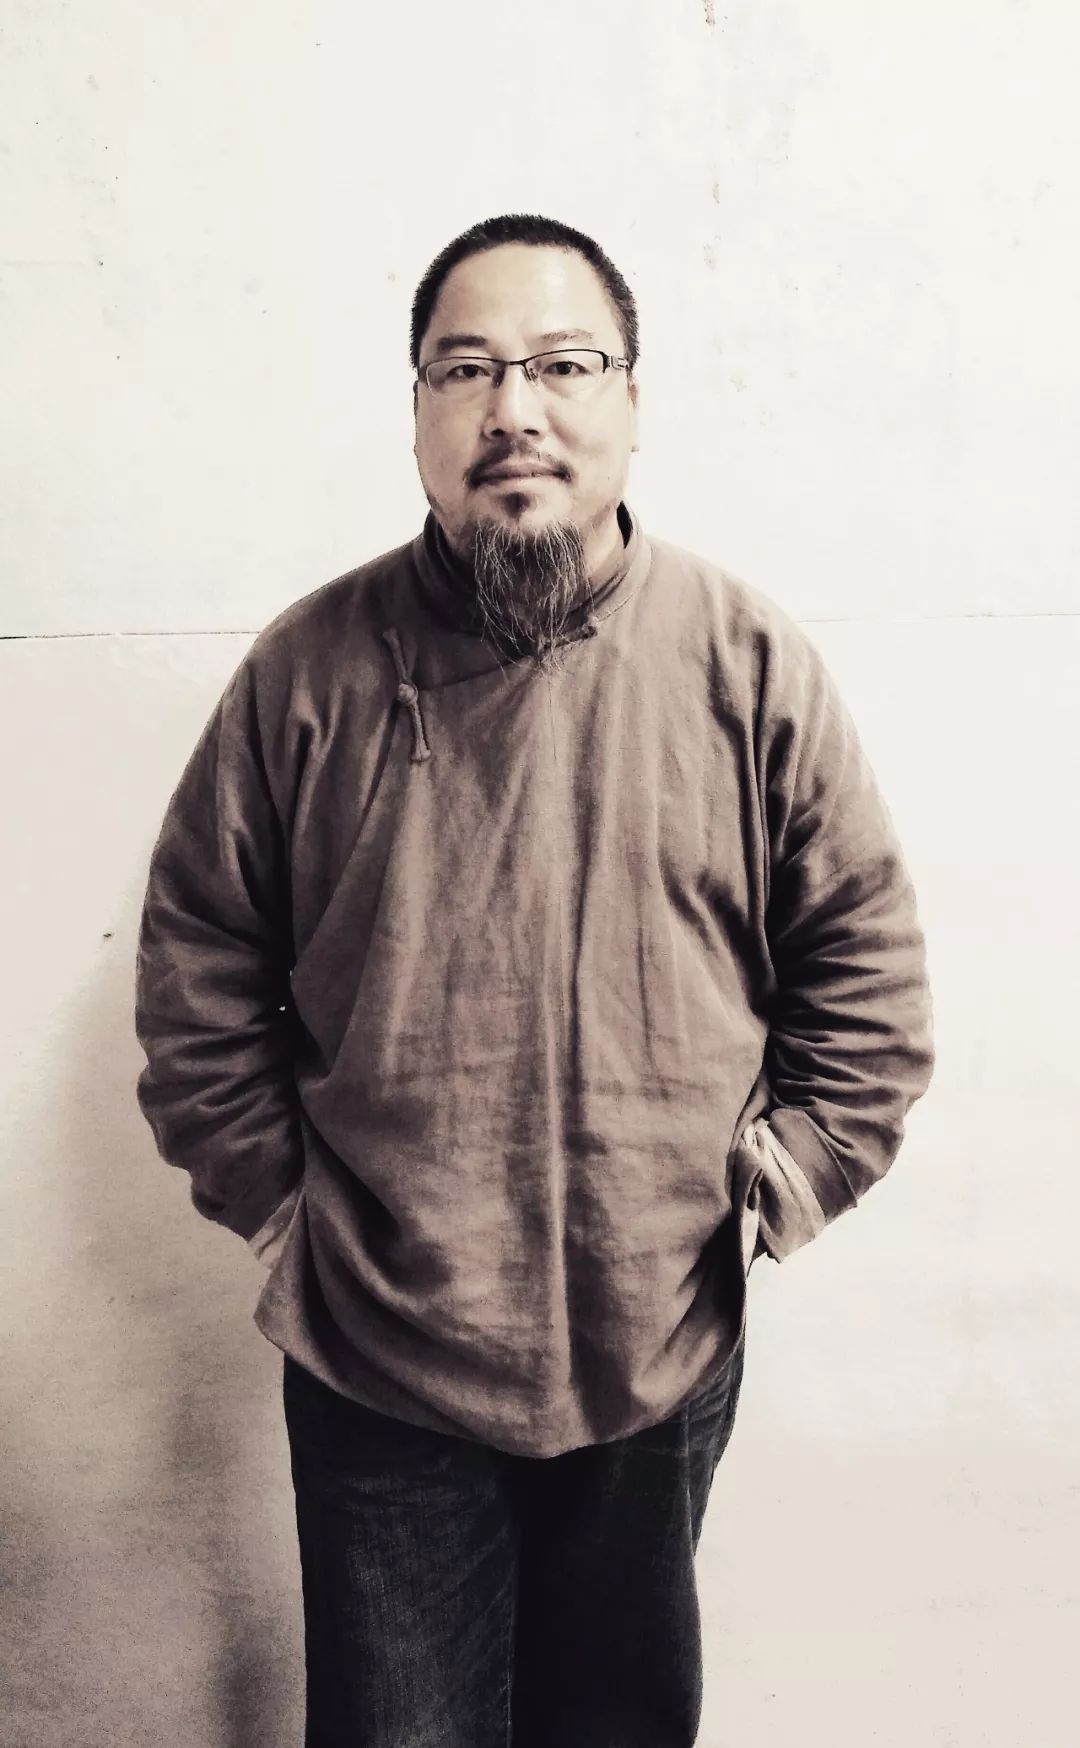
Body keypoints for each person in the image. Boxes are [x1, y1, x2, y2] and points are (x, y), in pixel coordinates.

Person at [134, 212, 934, 1747]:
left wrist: (780, 1182)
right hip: (377, 1352)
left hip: (659, 1336)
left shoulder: (745, 662)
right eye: (468, 369)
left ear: (630, 399)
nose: (515, 408)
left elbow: (866, 967)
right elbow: (197, 969)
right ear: (420, 415)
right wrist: (284, 1206)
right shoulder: (307, 672)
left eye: (563, 364)